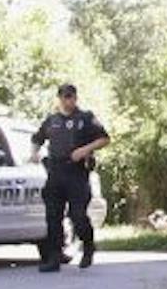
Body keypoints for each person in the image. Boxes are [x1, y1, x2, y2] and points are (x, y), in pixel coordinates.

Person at [30, 83, 109, 273]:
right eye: (65, 97)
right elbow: (37, 139)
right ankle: (54, 257)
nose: (68, 101)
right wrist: (34, 153)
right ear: (59, 99)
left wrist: (85, 150)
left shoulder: (85, 118)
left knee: (78, 215)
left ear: (76, 98)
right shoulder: (52, 120)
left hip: (76, 173)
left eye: (71, 97)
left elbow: (104, 139)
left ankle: (88, 246)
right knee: (53, 217)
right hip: (55, 172)